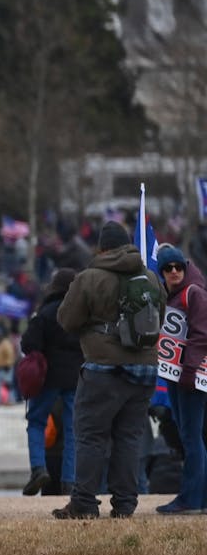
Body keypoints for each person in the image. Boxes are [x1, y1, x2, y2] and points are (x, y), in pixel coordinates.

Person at [53, 222, 165, 520]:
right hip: (144, 369)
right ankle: (125, 505)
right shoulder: (151, 277)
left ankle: (85, 504)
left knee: (90, 436)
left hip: (103, 369)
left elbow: (66, 319)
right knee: (129, 437)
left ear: (101, 248)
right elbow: (160, 319)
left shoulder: (89, 277)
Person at [152, 245, 206, 514]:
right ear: (161, 272)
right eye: (168, 268)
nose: (174, 272)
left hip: (189, 376)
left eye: (178, 267)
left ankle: (190, 499)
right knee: (191, 435)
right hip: (177, 375)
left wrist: (189, 370)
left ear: (184, 268)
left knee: (191, 436)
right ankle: (199, 498)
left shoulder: (193, 292)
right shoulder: (171, 296)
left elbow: (201, 334)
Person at [20, 269, 83, 496]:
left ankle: (38, 469)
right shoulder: (81, 313)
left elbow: (28, 345)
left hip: (47, 378)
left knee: (36, 422)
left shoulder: (45, 313)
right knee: (72, 428)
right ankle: (70, 481)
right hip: (76, 378)